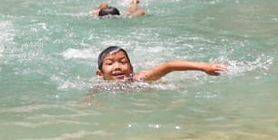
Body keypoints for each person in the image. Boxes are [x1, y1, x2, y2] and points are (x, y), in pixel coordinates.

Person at [96, 46, 227, 81]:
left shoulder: (139, 78)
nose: (117, 66)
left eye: (123, 62)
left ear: (131, 69)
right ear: (100, 74)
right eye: (110, 63)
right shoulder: (100, 87)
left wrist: (204, 67)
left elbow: (169, 66)